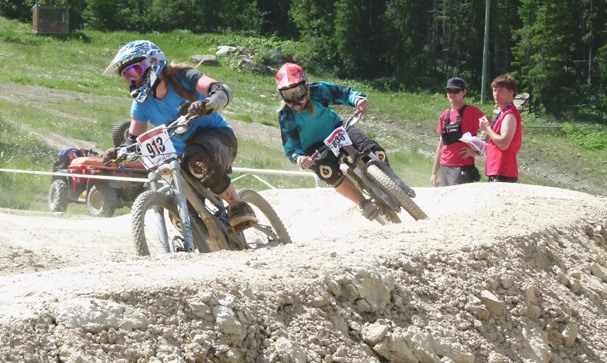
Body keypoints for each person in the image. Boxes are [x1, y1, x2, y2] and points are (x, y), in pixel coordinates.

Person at [102, 40, 257, 230]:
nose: (132, 81)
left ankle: (237, 204)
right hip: (182, 155)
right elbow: (133, 139)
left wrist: (208, 102)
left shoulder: (183, 77)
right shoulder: (141, 105)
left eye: (134, 73)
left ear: (152, 62)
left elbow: (219, 89)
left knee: (196, 157)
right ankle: (209, 242)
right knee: (180, 205)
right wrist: (118, 152)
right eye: (127, 77)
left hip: (219, 139)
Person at [275, 62, 387, 221]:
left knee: (372, 149)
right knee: (327, 172)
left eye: (297, 90)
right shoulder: (286, 116)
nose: (294, 97)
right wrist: (299, 158)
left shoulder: (318, 91)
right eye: (288, 94)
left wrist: (357, 99)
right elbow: (291, 146)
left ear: (305, 85)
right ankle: (362, 203)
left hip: (337, 129)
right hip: (315, 149)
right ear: (281, 94)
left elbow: (343, 93)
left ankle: (391, 179)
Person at [430, 77, 487, 187]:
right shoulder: (444, 115)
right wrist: (434, 172)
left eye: (456, 91)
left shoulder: (472, 112)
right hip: (444, 166)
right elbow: (441, 145)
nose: (452, 94)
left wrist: (478, 151)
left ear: (464, 92)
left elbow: (490, 129)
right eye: (449, 91)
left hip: (462, 167)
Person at [479, 74, 522, 182]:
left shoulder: (510, 114)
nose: (496, 94)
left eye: (500, 90)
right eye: (494, 90)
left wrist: (488, 128)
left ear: (511, 92)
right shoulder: (503, 113)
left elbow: (503, 144)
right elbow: (494, 141)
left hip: (503, 171)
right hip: (497, 170)